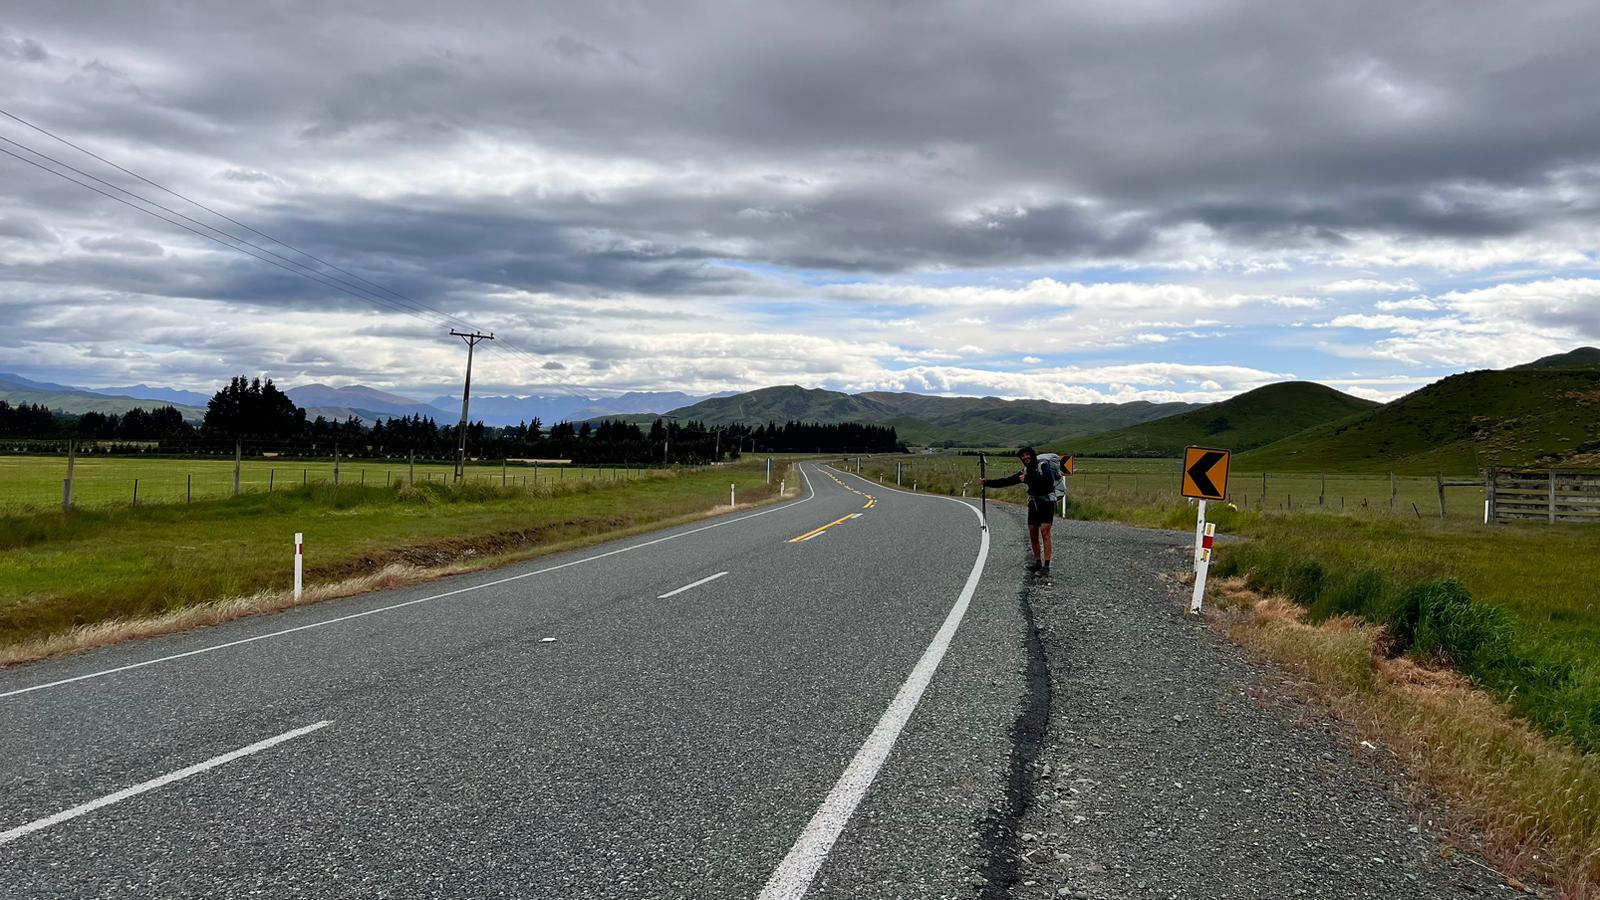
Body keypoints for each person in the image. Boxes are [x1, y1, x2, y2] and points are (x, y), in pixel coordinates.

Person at [981, 445, 1064, 575]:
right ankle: (1037, 562)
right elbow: (1009, 481)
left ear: (1032, 454)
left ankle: (1046, 567)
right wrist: (988, 483)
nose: (1025, 457)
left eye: (1027, 454)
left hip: (1047, 501)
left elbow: (1048, 480)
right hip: (1033, 502)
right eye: (1023, 456)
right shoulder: (1026, 470)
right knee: (1032, 532)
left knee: (1045, 532)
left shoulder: (1043, 466)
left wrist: (1028, 479)